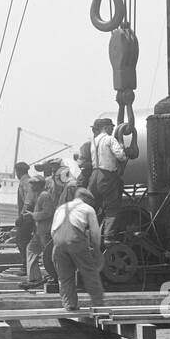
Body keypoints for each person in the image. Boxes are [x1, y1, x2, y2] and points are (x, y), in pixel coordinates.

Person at [51, 188, 105, 311]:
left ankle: (70, 305)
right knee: (89, 272)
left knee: (65, 277)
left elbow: (52, 231)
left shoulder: (60, 208)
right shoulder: (88, 209)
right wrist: (97, 251)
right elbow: (95, 233)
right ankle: (98, 304)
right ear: (86, 199)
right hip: (75, 241)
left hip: (57, 243)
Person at [88, 116, 128, 246]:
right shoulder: (110, 139)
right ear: (106, 127)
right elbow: (121, 156)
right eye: (111, 126)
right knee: (113, 208)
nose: (113, 128)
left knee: (94, 207)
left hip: (94, 177)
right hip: (106, 176)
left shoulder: (93, 142)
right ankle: (108, 237)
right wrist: (123, 148)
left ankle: (90, 236)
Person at [11, 161, 32, 275]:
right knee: (24, 241)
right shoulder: (25, 181)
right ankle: (27, 266)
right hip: (27, 216)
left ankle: (26, 267)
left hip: (27, 217)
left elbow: (28, 201)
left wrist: (21, 216)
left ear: (18, 171)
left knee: (21, 241)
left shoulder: (26, 182)